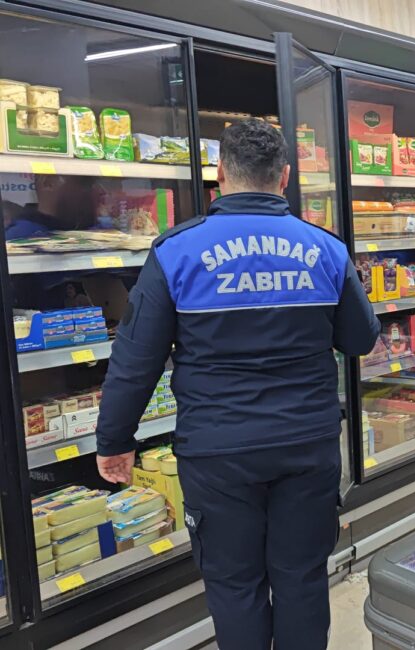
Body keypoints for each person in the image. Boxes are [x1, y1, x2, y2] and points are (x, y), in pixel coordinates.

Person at [94, 119, 380, 650]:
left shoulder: (177, 251)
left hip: (218, 451)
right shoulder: (326, 250)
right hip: (306, 444)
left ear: (219, 174)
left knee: (234, 585)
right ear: (286, 176)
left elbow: (137, 360)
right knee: (301, 578)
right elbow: (361, 339)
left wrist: (115, 442)